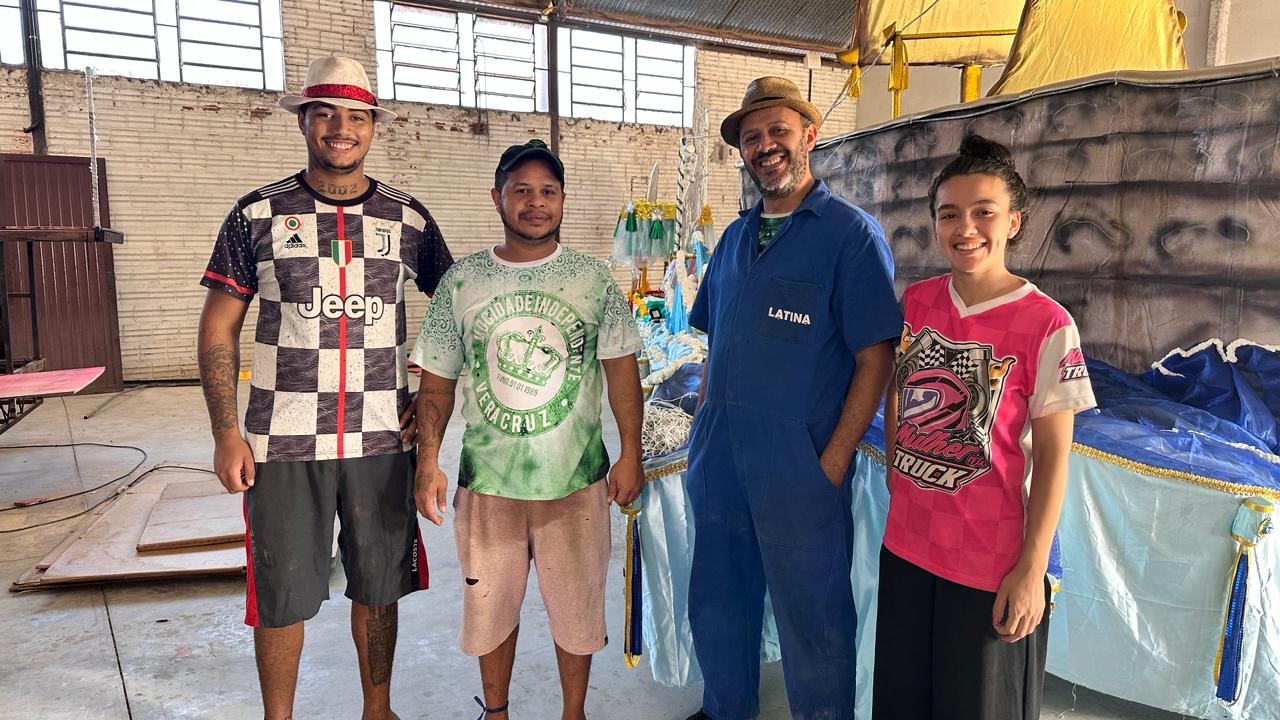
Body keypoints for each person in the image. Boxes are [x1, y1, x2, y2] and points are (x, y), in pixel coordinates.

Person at [196, 55, 453, 720]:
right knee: (280, 596)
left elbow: (453, 319)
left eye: (357, 116)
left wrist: (427, 424)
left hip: (381, 441)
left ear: (373, 126)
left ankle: (378, 710)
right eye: (326, 113)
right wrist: (226, 432)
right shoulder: (256, 214)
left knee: (380, 587)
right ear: (303, 121)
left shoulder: (409, 220)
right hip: (281, 443)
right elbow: (219, 328)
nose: (342, 128)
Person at [684, 76, 902, 720]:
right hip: (721, 457)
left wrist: (830, 464)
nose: (765, 146)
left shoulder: (849, 236)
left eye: (778, 131)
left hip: (799, 462)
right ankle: (725, 708)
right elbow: (715, 341)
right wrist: (700, 432)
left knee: (814, 615)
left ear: (809, 135)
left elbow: (876, 358)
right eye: (751, 137)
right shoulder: (732, 240)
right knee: (719, 597)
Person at [409, 139, 644, 720]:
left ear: (562, 199)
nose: (535, 202)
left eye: (547, 191)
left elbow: (622, 374)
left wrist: (630, 454)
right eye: (522, 191)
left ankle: (573, 713)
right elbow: (436, 383)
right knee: (489, 609)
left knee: (578, 610)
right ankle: (496, 712)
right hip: (489, 482)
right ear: (498, 198)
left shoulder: (592, 279)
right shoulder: (462, 282)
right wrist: (427, 461)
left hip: (576, 480)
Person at [873, 135, 1097, 719]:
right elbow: (898, 388)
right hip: (907, 545)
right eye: (949, 214)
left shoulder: (1047, 324)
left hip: (988, 561)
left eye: (984, 212)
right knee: (901, 701)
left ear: (1014, 222)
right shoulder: (918, 301)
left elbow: (1054, 460)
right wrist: (898, 468)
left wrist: (1031, 569)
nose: (965, 228)